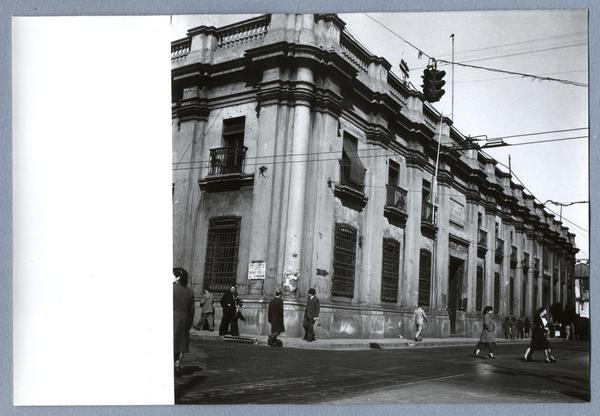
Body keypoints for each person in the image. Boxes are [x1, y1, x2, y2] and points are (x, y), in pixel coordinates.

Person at [173, 267, 195, 376]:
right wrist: (189, 324)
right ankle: (177, 364)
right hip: (184, 320)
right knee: (180, 344)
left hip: (173, 319)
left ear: (177, 277)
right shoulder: (190, 292)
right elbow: (192, 310)